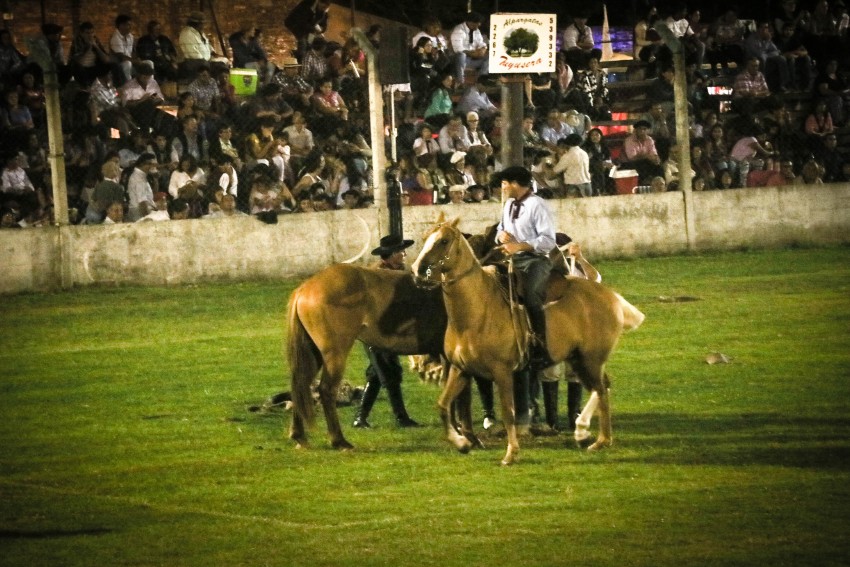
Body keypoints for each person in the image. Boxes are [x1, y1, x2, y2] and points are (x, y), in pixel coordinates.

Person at [353, 234, 421, 428]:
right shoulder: (377, 275)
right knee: (389, 374)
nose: (404, 254)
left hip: (388, 331)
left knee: (377, 375)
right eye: (400, 251)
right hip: (375, 333)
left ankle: (361, 418)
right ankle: (401, 418)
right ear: (390, 255)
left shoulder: (397, 271)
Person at [495, 165, 556, 371]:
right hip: (510, 259)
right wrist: (500, 235)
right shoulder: (509, 204)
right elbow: (500, 228)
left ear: (514, 184)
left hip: (535, 260)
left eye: (504, 183)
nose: (502, 188)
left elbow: (548, 240)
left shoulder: (537, 205)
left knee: (531, 296)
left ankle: (541, 346)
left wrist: (519, 246)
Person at [449, 11, 489, 86]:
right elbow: (458, 49)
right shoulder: (459, 30)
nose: (479, 25)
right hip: (460, 60)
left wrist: (483, 49)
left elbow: (481, 43)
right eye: (477, 23)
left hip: (472, 59)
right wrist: (472, 54)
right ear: (470, 22)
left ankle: (481, 79)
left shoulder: (476, 30)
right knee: (461, 55)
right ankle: (460, 81)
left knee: (489, 55)